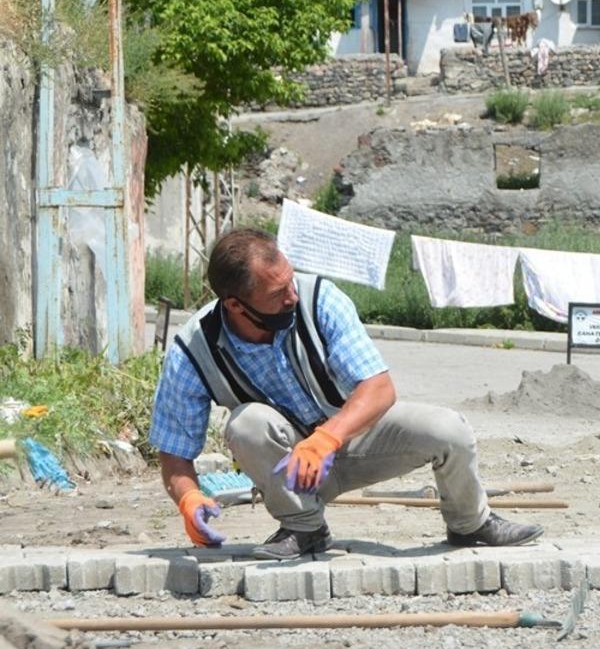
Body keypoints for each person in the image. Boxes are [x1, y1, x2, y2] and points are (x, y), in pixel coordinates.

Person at [149, 228, 544, 560]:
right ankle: (305, 529)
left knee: (448, 429)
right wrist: (188, 499)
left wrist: (326, 438)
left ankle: (470, 524)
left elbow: (379, 388)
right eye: (277, 293)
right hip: (290, 470)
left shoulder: (320, 299)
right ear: (235, 305)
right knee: (247, 423)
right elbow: (174, 452)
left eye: (290, 281)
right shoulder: (192, 349)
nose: (292, 296)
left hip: (356, 440)